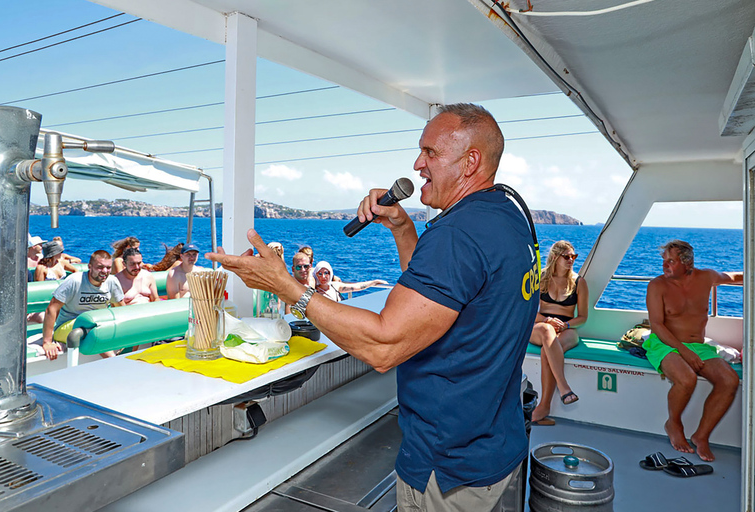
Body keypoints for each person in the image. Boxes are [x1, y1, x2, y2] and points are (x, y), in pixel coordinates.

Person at [207, 103, 539, 510]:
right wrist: (403, 228)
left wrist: (288, 288)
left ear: (471, 162)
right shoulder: (508, 213)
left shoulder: (457, 234)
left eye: (430, 152)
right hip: (496, 445)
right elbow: (442, 297)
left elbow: (384, 347)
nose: (418, 164)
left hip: (448, 465)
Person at [645, 239, 742, 462]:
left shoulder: (706, 277)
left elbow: (735, 277)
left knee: (729, 381)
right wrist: (684, 352)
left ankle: (702, 436)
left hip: (698, 345)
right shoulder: (657, 285)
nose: (665, 265)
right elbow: (657, 325)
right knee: (686, 378)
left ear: (688, 263)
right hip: (663, 342)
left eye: (671, 261)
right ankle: (674, 423)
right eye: (664, 260)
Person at [529, 241, 589, 425]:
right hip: (541, 325)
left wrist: (566, 325)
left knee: (548, 350)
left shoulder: (579, 282)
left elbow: (583, 318)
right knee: (548, 332)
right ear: (555, 257)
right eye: (567, 257)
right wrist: (547, 320)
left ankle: (544, 406)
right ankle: (564, 388)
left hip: (567, 328)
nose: (571, 260)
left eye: (574, 256)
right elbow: (529, 311)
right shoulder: (541, 278)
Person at [42, 250, 125, 360]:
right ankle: (114, 361)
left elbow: (121, 309)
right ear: (90, 266)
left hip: (97, 326)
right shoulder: (75, 281)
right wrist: (47, 342)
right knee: (89, 322)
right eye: (100, 267)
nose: (104, 271)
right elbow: (51, 309)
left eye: (108, 268)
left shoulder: (112, 282)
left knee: (98, 323)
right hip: (67, 329)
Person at [313, 261, 388, 302]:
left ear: (330, 273)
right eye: (320, 274)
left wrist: (374, 282)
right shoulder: (315, 291)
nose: (323, 276)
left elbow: (357, 287)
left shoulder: (335, 286)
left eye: (326, 273)